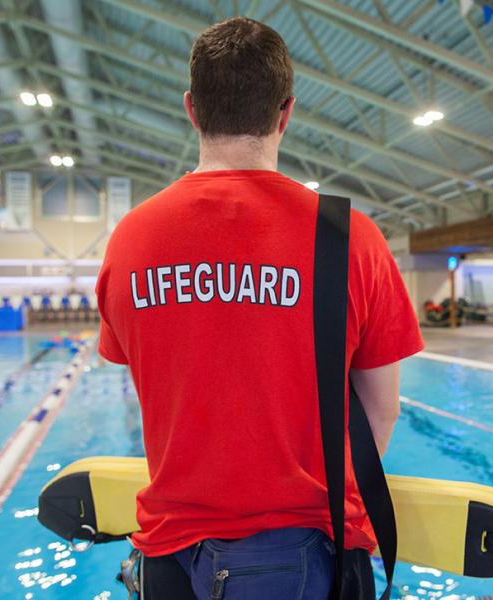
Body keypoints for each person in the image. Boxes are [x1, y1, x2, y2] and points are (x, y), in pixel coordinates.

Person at [95, 17, 424, 599]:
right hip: (303, 554)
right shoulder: (351, 237)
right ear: (285, 113)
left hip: (167, 556)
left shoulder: (131, 239)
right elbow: (383, 411)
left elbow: (152, 383)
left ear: (193, 109)